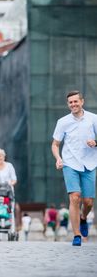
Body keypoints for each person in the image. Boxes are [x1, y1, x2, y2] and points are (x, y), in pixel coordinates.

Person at [51, 90, 97, 246]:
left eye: (76, 101)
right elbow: (55, 144)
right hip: (70, 163)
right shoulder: (63, 122)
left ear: (82, 101)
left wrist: (95, 143)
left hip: (90, 164)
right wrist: (58, 158)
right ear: (68, 104)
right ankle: (76, 234)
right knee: (75, 197)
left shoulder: (93, 119)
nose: (73, 104)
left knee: (88, 201)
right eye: (70, 102)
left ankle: (83, 217)